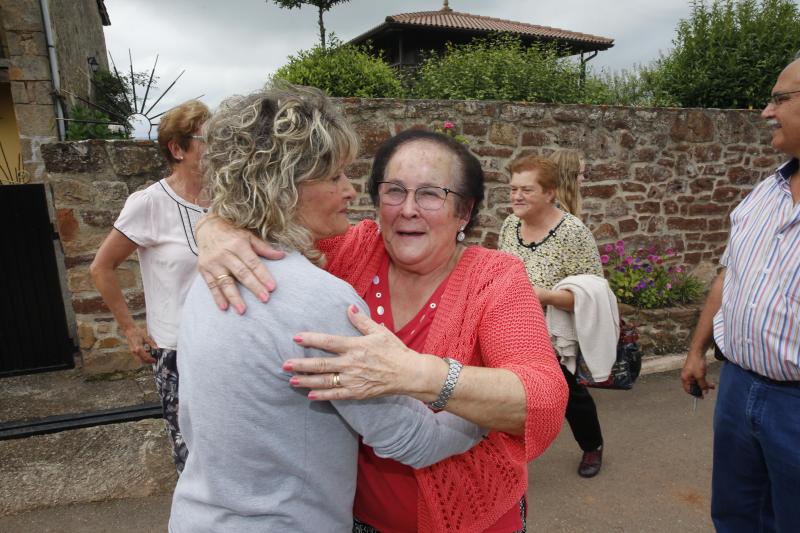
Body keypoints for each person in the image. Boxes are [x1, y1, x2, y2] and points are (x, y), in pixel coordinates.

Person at [195, 128, 569, 532]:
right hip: (353, 520)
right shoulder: (350, 249)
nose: (408, 209)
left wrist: (415, 374)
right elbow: (270, 218)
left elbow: (543, 400)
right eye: (394, 191)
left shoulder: (494, 278)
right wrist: (215, 229)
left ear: (464, 211)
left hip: (470, 521)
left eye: (430, 194)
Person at [169, 85, 486, 533]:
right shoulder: (316, 300)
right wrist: (487, 417)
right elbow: (414, 437)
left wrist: (212, 225)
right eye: (335, 176)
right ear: (284, 187)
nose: (352, 190)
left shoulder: (215, 274)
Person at [681, 55, 800, 532]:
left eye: (779, 99)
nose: (766, 112)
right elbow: (729, 277)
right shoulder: (762, 194)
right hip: (739, 386)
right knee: (735, 514)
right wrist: (696, 350)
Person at [90, 100, 211, 474]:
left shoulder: (226, 201)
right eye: (208, 139)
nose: (219, 147)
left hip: (225, 343)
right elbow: (101, 267)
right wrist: (130, 328)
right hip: (176, 351)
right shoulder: (149, 203)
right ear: (177, 149)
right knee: (191, 455)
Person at [498, 153, 606, 479]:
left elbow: (593, 296)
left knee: (571, 396)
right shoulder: (509, 225)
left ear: (549, 192)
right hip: (511, 329)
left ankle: (592, 445)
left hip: (554, 337)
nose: (517, 196)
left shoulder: (573, 233)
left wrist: (542, 295)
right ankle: (508, 452)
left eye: (526, 190)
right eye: (514, 188)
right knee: (508, 393)